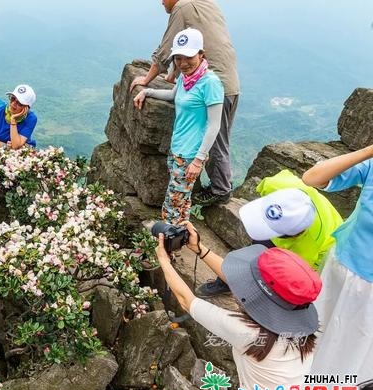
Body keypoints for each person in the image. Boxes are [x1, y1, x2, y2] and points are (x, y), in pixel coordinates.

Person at [156, 221, 321, 390]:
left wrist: (163, 260)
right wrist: (199, 249)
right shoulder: (298, 325)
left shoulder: (248, 334)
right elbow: (238, 283)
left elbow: (186, 301)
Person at [130, 0, 240, 206]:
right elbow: (184, 50)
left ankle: (221, 190)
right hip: (229, 81)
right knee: (221, 139)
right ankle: (220, 186)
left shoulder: (182, 7)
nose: (161, 2)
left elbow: (167, 48)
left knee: (216, 138)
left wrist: (146, 79)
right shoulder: (206, 2)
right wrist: (173, 76)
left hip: (214, 85)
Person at [302, 144, 373, 390]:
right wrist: (369, 150)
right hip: (339, 272)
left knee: (353, 355)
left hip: (369, 294)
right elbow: (313, 177)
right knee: (317, 339)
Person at [197, 169, 343, 297]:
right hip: (296, 225)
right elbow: (265, 188)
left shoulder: (313, 246)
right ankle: (226, 282)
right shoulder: (277, 185)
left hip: (322, 243)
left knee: (276, 272)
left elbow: (300, 278)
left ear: (293, 236)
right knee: (252, 251)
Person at [134, 28, 223, 224]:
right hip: (177, 148)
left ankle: (167, 247)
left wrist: (198, 160)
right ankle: (182, 238)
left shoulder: (210, 83)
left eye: (188, 57)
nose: (183, 63)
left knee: (173, 204)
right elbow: (174, 96)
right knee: (181, 200)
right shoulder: (185, 77)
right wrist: (147, 91)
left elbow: (214, 125)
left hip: (191, 154)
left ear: (201, 54)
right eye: (178, 58)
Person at [0, 84, 37, 150]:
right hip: (2, 147)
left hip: (24, 148)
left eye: (19, 103)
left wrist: (13, 120)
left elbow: (15, 146)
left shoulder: (31, 118)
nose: (13, 104)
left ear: (27, 108)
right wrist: (5, 146)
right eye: (12, 98)